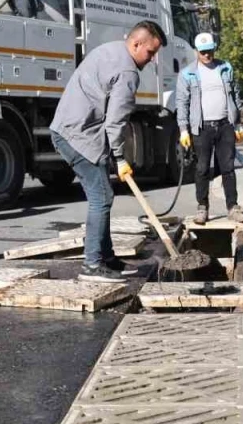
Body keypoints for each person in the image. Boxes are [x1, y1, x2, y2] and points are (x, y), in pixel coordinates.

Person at [51, 21, 165, 283]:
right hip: (79, 135)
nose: (151, 59)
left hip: (72, 129)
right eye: (149, 53)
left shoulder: (110, 49)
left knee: (102, 193)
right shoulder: (127, 71)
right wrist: (121, 158)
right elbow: (116, 122)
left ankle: (108, 260)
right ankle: (92, 266)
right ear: (136, 44)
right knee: (101, 197)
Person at [176, 32, 243, 225]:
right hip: (202, 128)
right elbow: (182, 102)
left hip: (225, 125)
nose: (207, 55)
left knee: (228, 168)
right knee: (201, 169)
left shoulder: (225, 68)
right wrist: (183, 129)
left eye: (209, 51)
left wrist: (238, 123)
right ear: (196, 52)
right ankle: (202, 208)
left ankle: (232, 207)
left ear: (214, 48)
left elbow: (236, 96)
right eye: (203, 52)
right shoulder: (187, 74)